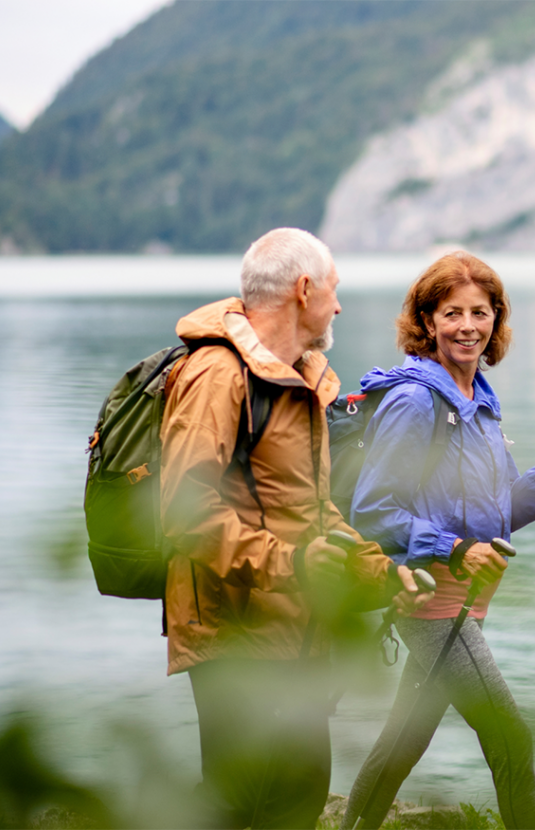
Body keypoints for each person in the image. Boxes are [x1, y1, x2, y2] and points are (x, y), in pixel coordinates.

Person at [159, 227, 431, 830]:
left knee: (300, 794)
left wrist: (379, 570)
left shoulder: (298, 381)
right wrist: (291, 565)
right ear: (303, 289)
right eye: (333, 290)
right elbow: (184, 512)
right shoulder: (216, 376)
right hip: (232, 632)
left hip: (294, 629)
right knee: (241, 802)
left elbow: (315, 513)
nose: (338, 306)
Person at [338, 251, 535, 830]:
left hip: (468, 599)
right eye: (452, 313)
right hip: (432, 599)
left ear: (497, 320)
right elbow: (373, 510)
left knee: (403, 741)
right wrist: (455, 550)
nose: (469, 326)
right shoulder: (416, 402)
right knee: (508, 736)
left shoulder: (480, 405)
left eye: (481, 313)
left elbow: (497, 511)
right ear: (427, 321)